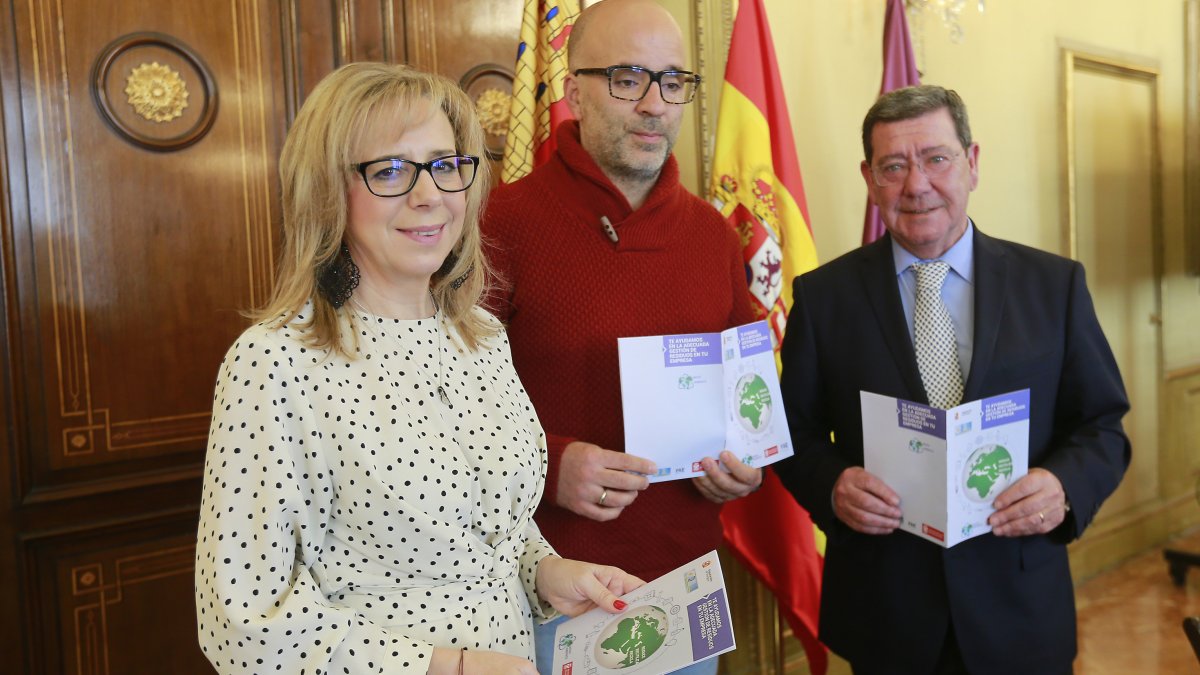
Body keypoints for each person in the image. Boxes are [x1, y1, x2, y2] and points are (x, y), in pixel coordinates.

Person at [194, 62, 644, 675]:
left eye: (444, 166)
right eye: (390, 171)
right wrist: (444, 666)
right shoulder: (274, 363)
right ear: (328, 192)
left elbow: (490, 531)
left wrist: (548, 573)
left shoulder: (481, 338)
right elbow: (242, 621)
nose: (429, 195)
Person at [776, 84, 1131, 675]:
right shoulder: (824, 297)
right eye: (894, 166)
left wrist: (1063, 486)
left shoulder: (1054, 286)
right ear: (870, 179)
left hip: (1019, 610)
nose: (917, 185)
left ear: (972, 163)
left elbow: (1103, 426)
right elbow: (791, 431)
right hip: (886, 614)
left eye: (936, 159)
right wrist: (832, 484)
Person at [481, 1, 763, 673]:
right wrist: (549, 463)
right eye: (628, 78)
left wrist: (747, 458)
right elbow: (441, 407)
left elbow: (747, 396)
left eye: (672, 82)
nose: (654, 104)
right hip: (550, 594)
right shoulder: (501, 221)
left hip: (684, 593)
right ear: (573, 90)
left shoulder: (714, 236)